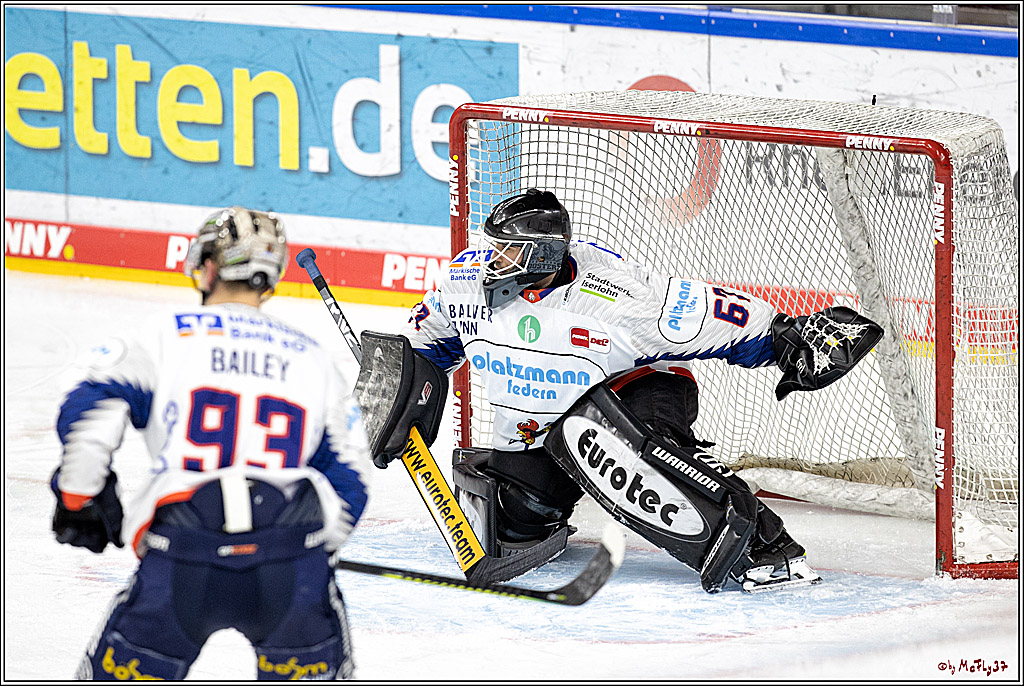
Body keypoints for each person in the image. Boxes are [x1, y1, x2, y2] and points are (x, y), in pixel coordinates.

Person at [383, 188, 882, 593]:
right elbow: (426, 344)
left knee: (595, 439)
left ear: (546, 255)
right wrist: (400, 393)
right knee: (514, 528)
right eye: (494, 246)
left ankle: (763, 546)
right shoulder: (466, 282)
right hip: (540, 422)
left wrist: (786, 337)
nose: (494, 259)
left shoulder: (619, 299)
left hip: (637, 395)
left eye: (509, 251)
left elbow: (713, 315)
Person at [50, 207, 371, 679]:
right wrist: (316, 549)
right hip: (289, 558)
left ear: (208, 266)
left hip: (182, 553)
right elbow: (352, 477)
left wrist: (79, 497)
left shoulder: (164, 334)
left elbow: (89, 408)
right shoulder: (311, 356)